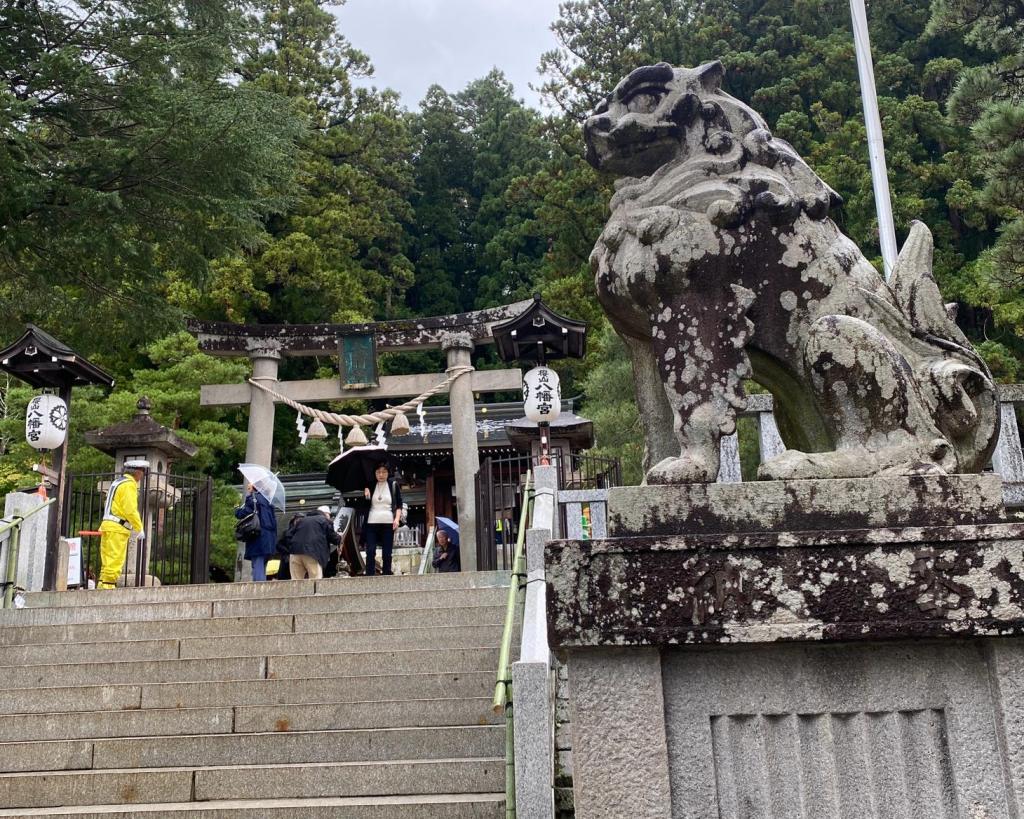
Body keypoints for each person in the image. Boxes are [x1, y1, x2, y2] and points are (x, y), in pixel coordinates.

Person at [97, 460, 148, 589]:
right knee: (115, 560)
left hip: (107, 525)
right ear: (137, 472)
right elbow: (129, 509)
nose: (142, 476)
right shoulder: (129, 485)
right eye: (143, 472)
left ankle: (102, 587)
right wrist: (139, 527)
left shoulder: (117, 482)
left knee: (106, 561)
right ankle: (108, 589)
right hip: (118, 527)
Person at [363, 463, 402, 575]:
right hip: (371, 522)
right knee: (370, 550)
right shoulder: (370, 485)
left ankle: (386, 573)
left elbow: (399, 504)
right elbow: (364, 505)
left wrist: (397, 519)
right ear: (375, 473)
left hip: (388, 522)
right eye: (378, 472)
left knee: (387, 552)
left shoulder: (393, 485)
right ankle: (370, 573)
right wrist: (366, 494)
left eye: (384, 472)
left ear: (388, 473)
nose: (381, 474)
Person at [234, 482, 277, 582]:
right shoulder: (269, 501)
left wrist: (236, 508)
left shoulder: (253, 499)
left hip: (257, 536)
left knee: (257, 565)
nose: (248, 485)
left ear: (254, 487)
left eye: (250, 483)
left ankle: (259, 590)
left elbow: (241, 514)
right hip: (269, 538)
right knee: (262, 566)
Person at [288, 505, 340, 580]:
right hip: (313, 553)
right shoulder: (324, 520)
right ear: (326, 514)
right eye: (329, 515)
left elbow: (288, 535)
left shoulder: (302, 520)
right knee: (315, 580)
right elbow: (333, 537)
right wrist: (340, 539)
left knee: (296, 581)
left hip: (294, 553)